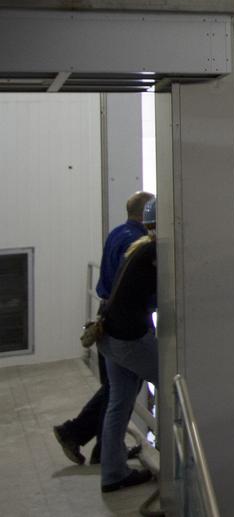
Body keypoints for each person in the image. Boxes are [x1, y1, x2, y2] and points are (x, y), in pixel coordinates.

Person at [53, 191, 153, 465]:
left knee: (117, 388)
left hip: (106, 314)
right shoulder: (137, 241)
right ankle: (81, 436)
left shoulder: (116, 234)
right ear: (146, 215)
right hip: (128, 320)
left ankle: (101, 448)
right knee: (120, 390)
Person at [97, 211, 159, 493]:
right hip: (128, 336)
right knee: (176, 383)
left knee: (119, 402)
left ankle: (113, 474)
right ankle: (177, 467)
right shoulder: (154, 252)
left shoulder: (138, 247)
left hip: (109, 330)